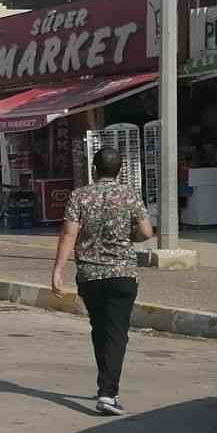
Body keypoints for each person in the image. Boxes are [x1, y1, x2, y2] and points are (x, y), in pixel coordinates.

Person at [51, 148, 154, 416]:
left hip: (91, 276)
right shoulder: (129, 194)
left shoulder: (79, 195)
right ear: (119, 170)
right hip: (123, 274)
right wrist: (128, 238)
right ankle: (109, 393)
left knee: (99, 329)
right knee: (117, 332)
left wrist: (58, 270)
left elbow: (69, 234)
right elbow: (146, 231)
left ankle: (104, 385)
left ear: (94, 169)